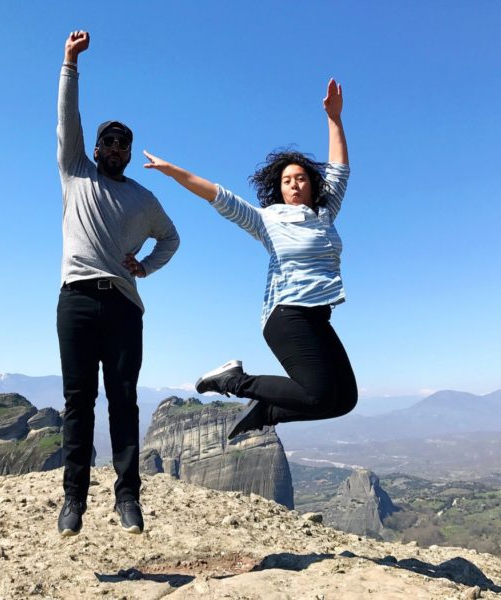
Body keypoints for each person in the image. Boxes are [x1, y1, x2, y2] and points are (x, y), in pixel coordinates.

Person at [143, 78, 357, 440]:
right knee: (318, 392)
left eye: (301, 178)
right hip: (287, 314)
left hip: (319, 314)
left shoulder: (324, 213)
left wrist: (334, 119)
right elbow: (219, 196)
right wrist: (173, 170)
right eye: (288, 180)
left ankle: (268, 410)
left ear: (311, 184)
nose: (294, 184)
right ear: (279, 188)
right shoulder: (267, 219)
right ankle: (234, 380)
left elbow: (339, 170)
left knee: (343, 400)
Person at [56, 31, 180, 537]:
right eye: (108, 139)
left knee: (123, 400)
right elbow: (68, 121)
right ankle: (73, 502)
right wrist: (70, 63)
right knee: (78, 401)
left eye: (122, 142)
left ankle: (127, 498)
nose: (114, 147)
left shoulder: (145, 200)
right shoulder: (75, 172)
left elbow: (171, 238)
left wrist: (146, 267)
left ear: (128, 153)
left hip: (125, 307)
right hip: (78, 300)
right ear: (97, 147)